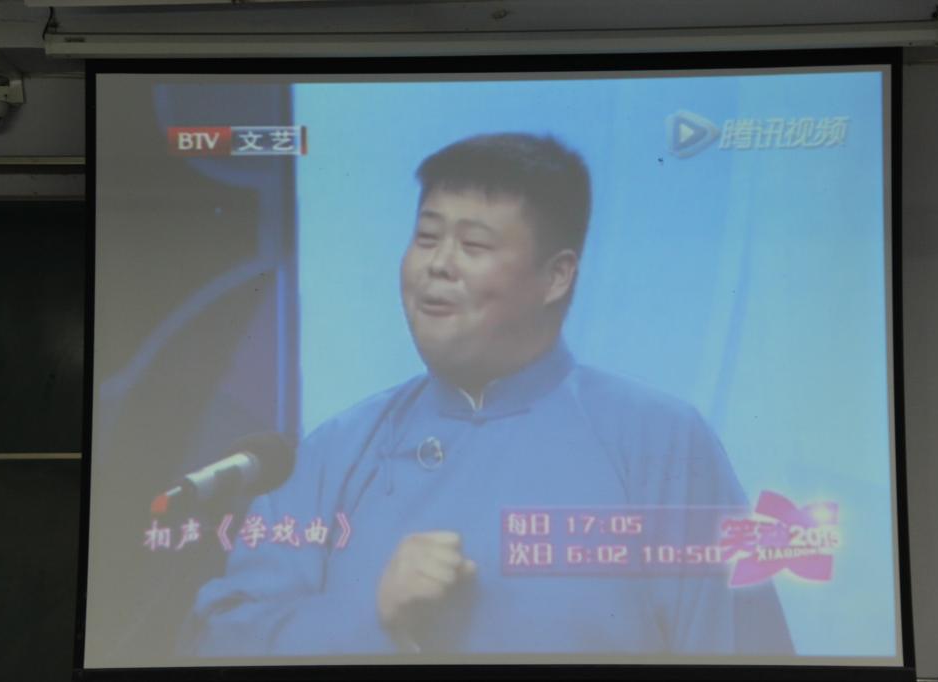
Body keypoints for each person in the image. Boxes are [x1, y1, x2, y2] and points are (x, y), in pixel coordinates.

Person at [181, 133, 793, 657]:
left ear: (556, 276)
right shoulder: (336, 450)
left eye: (473, 246)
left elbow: (745, 655)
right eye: (427, 238)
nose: (438, 265)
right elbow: (215, 640)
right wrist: (373, 618)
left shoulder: (660, 442)